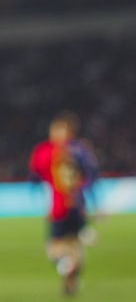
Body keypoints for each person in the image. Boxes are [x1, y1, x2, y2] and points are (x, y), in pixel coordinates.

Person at [29, 110, 99, 296]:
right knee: (75, 244)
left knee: (54, 247)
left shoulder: (46, 151)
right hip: (78, 205)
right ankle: (73, 281)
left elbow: (35, 176)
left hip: (59, 207)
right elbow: (91, 176)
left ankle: (66, 265)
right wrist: (93, 204)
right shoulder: (81, 149)